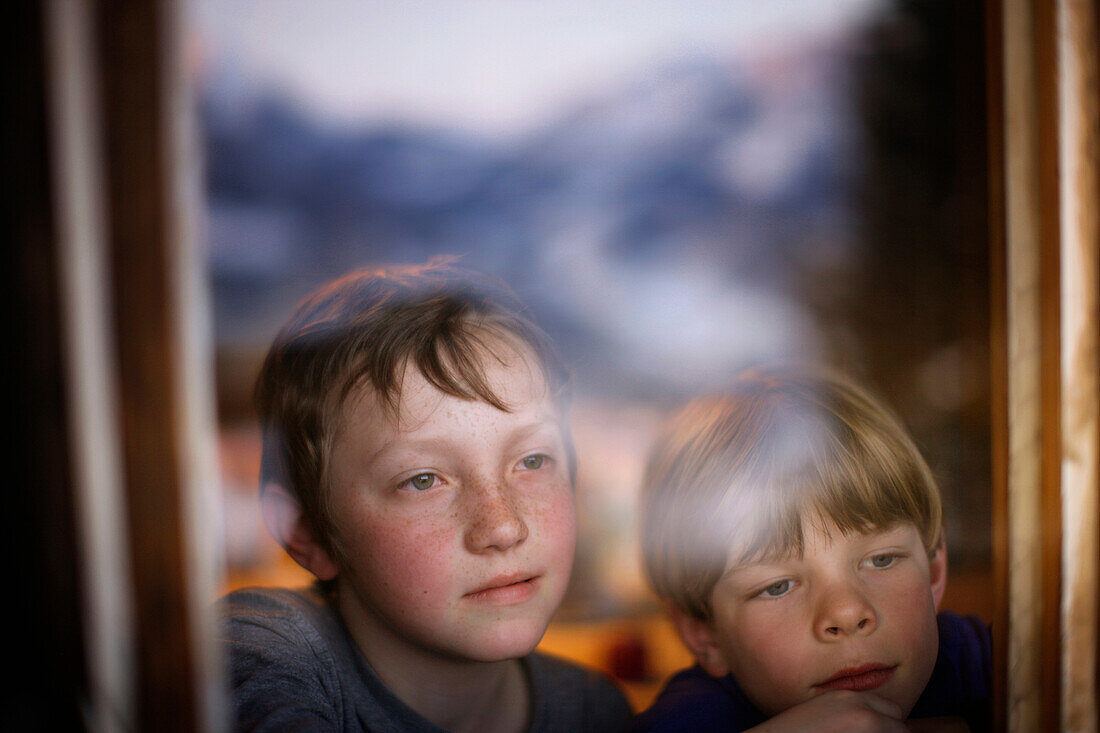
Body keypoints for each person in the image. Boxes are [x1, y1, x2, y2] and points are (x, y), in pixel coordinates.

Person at [217, 259, 631, 732]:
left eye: (532, 461)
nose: (503, 527)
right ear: (306, 531)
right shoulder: (266, 654)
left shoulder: (594, 711)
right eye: (423, 480)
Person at [632, 368, 990, 732]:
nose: (847, 612)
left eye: (881, 560)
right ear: (706, 636)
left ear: (933, 572)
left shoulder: (993, 663)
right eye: (777, 587)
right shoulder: (689, 719)